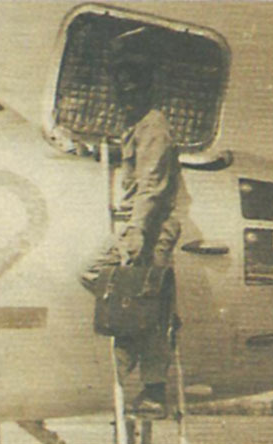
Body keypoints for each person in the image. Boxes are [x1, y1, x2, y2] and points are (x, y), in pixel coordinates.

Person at [80, 27, 181, 419]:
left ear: (145, 89)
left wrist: (137, 230)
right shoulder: (136, 128)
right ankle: (135, 341)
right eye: (121, 89)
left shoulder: (154, 128)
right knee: (126, 296)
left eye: (132, 88)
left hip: (150, 226)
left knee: (142, 303)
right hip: (137, 223)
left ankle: (154, 392)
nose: (125, 96)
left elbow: (152, 185)